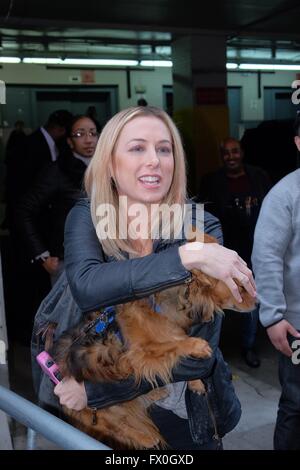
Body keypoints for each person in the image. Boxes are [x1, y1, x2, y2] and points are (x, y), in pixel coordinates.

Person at [52, 106, 256, 450]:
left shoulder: (200, 224)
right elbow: (88, 287)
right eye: (137, 148)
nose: (155, 160)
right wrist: (188, 256)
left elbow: (198, 356)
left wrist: (93, 391)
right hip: (112, 422)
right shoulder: (87, 216)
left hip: (187, 415)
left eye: (164, 149)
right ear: (110, 162)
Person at [197, 137, 271, 368]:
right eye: (226, 153)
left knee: (250, 295)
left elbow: (270, 207)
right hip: (225, 249)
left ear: (242, 153)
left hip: (255, 246)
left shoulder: (259, 176)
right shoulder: (211, 181)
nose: (231, 157)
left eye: (235, 152)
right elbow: (202, 214)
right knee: (220, 299)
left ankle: (248, 346)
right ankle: (216, 350)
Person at [252, 115, 300, 450]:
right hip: (298, 326)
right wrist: (272, 316)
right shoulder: (284, 195)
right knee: (297, 404)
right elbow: (265, 257)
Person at [16, 115, 99, 286]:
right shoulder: (57, 171)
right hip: (68, 261)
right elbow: (23, 210)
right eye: (80, 134)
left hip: (105, 260)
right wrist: (42, 255)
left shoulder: (108, 168)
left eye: (92, 133)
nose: (88, 140)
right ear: (69, 141)